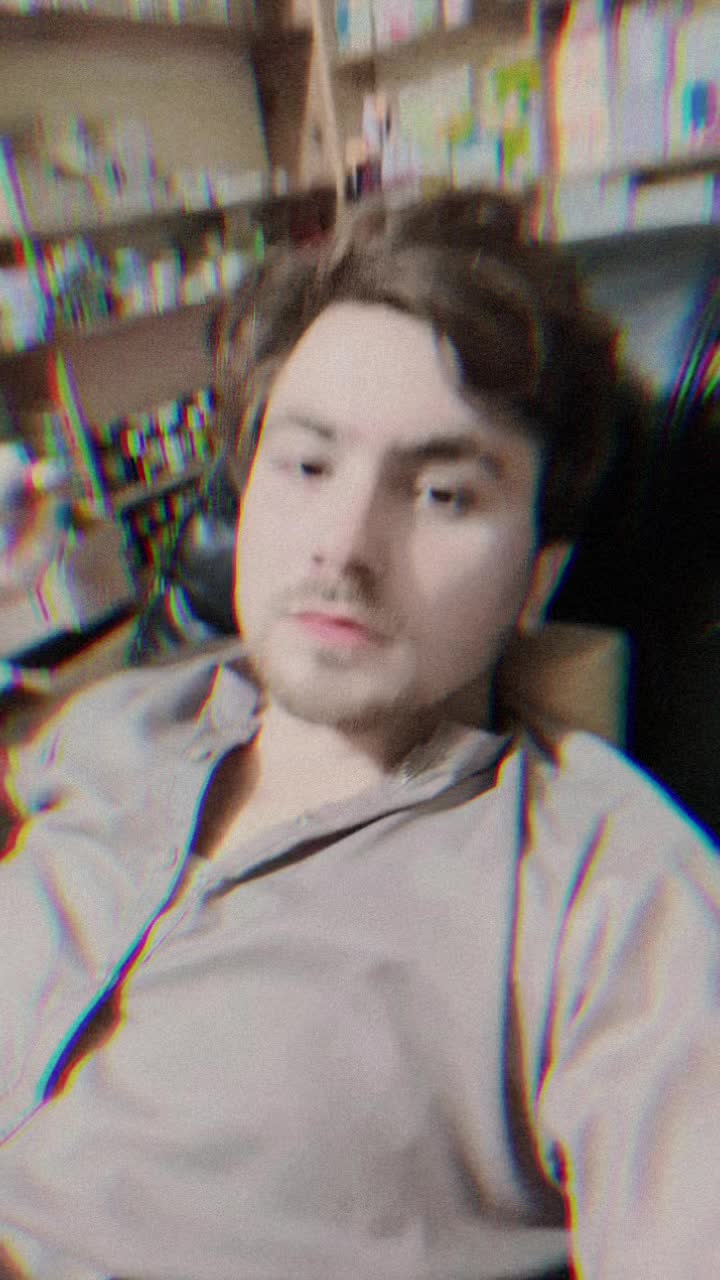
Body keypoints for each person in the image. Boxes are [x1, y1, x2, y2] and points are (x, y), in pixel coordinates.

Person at [0, 189, 717, 1280]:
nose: (340, 544)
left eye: (441, 492)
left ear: (540, 575)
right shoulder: (118, 720)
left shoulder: (608, 899)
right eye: (306, 465)